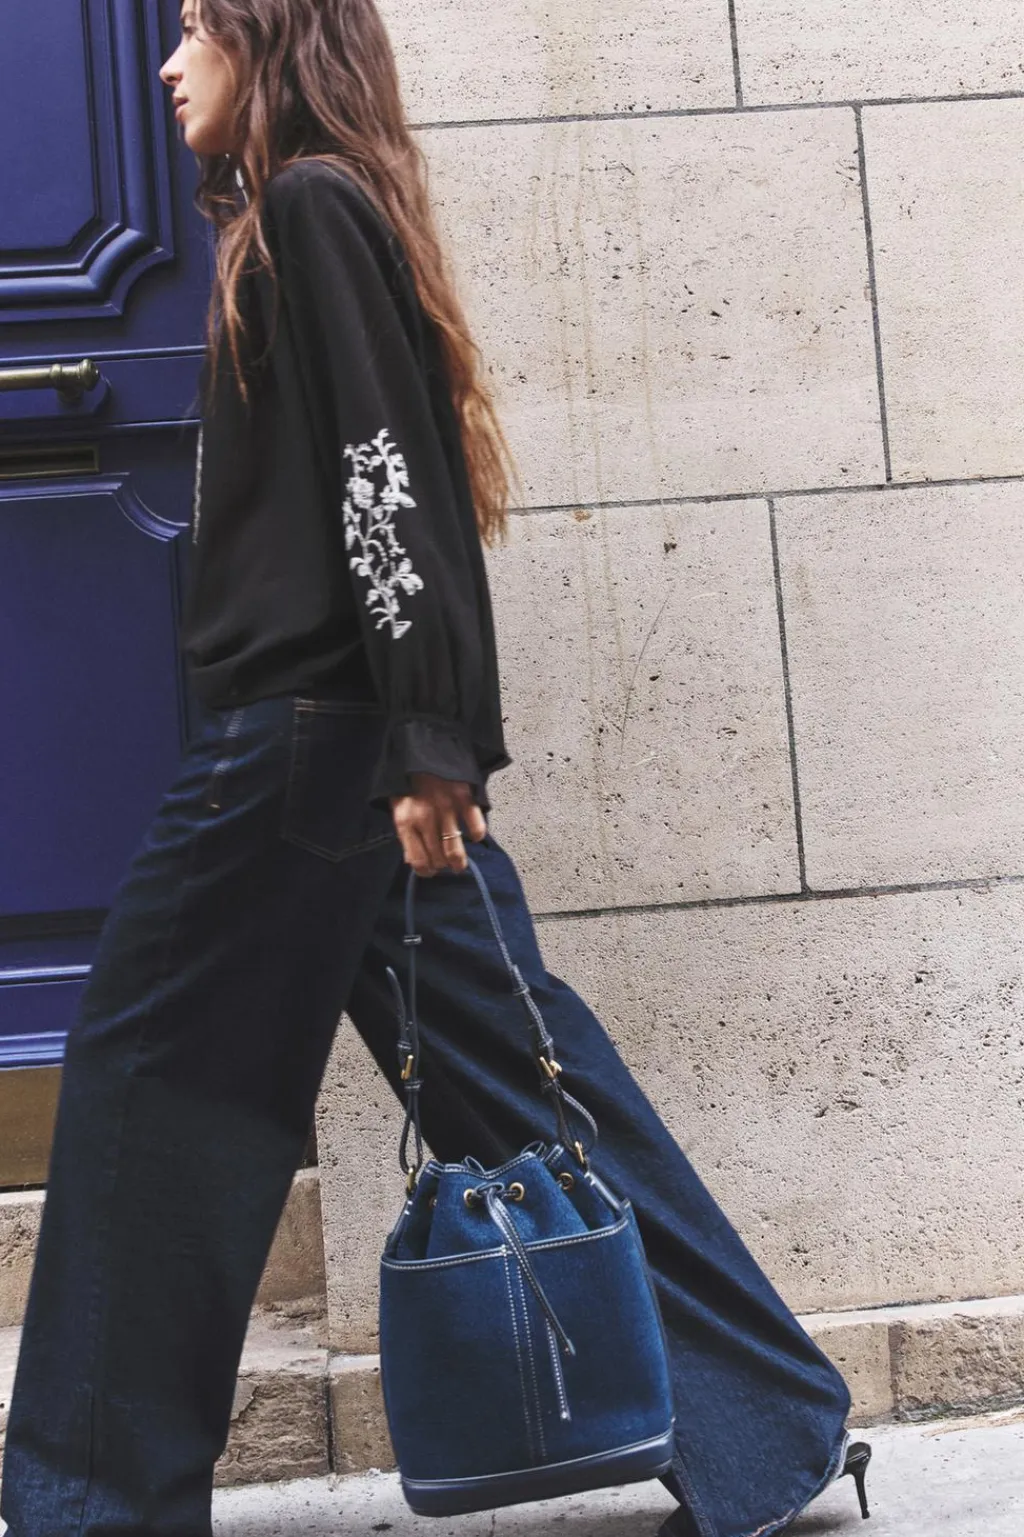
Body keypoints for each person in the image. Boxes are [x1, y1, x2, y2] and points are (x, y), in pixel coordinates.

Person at [0, 3, 871, 1535]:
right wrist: (421, 739)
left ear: (273, 40)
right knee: (529, 1083)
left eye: (198, 26)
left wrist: (426, 737)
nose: (168, 60)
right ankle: (768, 1428)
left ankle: (92, 1506)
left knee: (145, 1080)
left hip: (305, 751)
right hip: (356, 752)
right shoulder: (315, 212)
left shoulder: (310, 206)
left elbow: (385, 478)